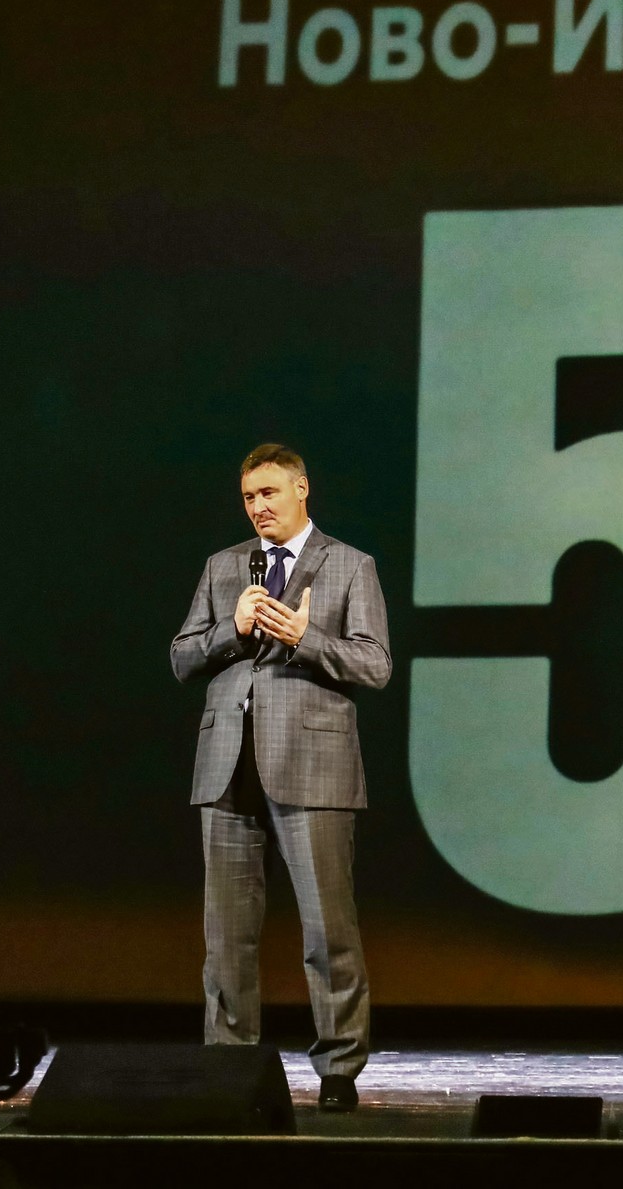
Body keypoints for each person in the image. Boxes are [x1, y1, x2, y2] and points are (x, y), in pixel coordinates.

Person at [170, 443, 393, 1111]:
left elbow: (375, 664)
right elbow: (182, 657)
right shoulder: (224, 566)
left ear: (302, 489)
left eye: (269, 492)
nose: (258, 507)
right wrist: (233, 629)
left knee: (328, 928)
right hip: (227, 765)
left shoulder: (349, 564)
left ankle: (339, 1068)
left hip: (312, 764)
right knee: (226, 935)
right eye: (248, 497)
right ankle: (228, 1066)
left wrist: (304, 637)